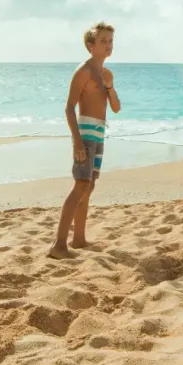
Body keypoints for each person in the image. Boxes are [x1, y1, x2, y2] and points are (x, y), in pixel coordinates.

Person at [49, 22, 121, 259]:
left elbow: (116, 107)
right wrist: (77, 142)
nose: (108, 45)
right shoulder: (84, 71)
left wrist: (110, 86)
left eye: (110, 41)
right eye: (103, 41)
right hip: (86, 135)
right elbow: (69, 107)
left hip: (99, 134)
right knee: (80, 185)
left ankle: (78, 239)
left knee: (88, 187)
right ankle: (59, 245)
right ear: (91, 46)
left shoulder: (104, 74)